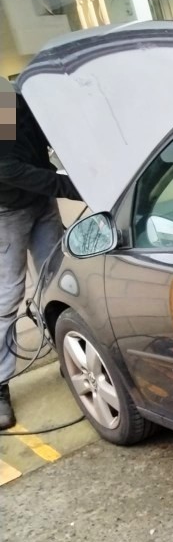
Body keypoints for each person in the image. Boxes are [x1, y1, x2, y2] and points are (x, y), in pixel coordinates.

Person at [0, 90, 81, 429]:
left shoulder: (20, 98)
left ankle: (69, 353)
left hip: (41, 202)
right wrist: (71, 187)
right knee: (8, 295)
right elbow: (9, 168)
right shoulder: (4, 106)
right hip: (7, 210)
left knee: (56, 281)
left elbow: (49, 137)